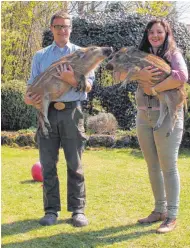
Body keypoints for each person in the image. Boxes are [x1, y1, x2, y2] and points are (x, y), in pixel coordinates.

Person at [24, 11, 95, 227]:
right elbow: (30, 88)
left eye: (66, 26)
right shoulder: (40, 56)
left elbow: (89, 86)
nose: (62, 30)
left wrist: (69, 78)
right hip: (47, 113)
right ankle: (51, 211)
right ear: (52, 29)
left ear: (71, 28)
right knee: (48, 165)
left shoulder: (82, 54)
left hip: (72, 113)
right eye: (58, 26)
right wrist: (29, 98)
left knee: (75, 163)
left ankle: (78, 210)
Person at [135, 19, 188, 233]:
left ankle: (172, 216)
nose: (155, 35)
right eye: (151, 32)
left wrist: (155, 88)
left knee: (168, 166)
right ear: (147, 34)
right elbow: (122, 74)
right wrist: (141, 75)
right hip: (143, 116)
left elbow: (182, 76)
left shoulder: (173, 54)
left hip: (168, 117)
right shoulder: (141, 55)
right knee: (152, 166)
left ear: (166, 34)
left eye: (159, 32)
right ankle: (159, 210)